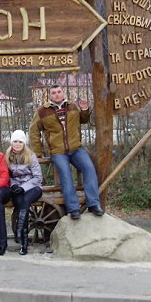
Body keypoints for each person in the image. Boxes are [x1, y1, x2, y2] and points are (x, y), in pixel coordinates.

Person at [29, 85, 104, 220]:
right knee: (65, 175)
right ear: (50, 95)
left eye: (59, 92)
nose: (57, 94)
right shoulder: (42, 111)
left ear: (63, 93)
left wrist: (85, 109)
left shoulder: (72, 106)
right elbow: (34, 131)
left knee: (89, 168)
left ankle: (93, 204)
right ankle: (73, 209)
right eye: (53, 93)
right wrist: (38, 152)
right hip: (58, 152)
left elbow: (83, 120)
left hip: (76, 148)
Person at [6, 130, 43, 255]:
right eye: (15, 141)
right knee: (21, 202)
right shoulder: (8, 157)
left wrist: (24, 187)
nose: (17, 144)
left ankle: (21, 234)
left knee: (25, 202)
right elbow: (8, 176)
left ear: (24, 143)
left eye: (20, 142)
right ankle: (23, 240)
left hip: (33, 187)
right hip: (17, 188)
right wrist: (14, 185)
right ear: (11, 143)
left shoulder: (30, 155)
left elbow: (38, 177)